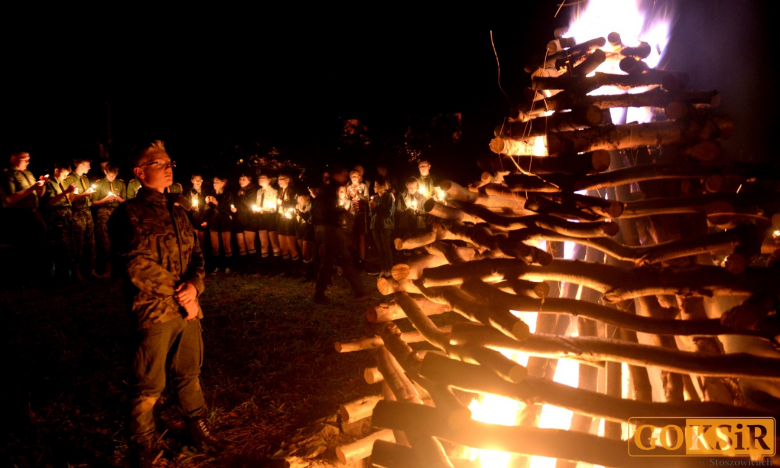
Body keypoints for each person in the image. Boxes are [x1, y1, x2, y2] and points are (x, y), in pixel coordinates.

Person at [107, 140, 223, 464]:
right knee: (148, 382)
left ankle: (195, 422)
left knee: (189, 371)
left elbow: (197, 255)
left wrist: (195, 288)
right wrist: (181, 293)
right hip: (154, 310)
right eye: (160, 163)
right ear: (140, 172)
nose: (169, 167)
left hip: (188, 309)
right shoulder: (127, 214)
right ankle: (142, 439)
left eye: (170, 162)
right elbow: (136, 265)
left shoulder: (178, 209)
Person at [311, 166, 366, 303]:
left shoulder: (327, 187)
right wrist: (342, 210)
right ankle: (359, 292)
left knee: (327, 261)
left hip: (323, 228)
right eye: (343, 174)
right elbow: (327, 209)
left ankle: (319, 294)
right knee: (345, 259)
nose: (345, 176)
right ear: (337, 174)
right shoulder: (330, 189)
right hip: (330, 228)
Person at [0, 151, 49, 282]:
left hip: (34, 212)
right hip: (19, 215)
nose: (28, 162)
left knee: (39, 243)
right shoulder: (8, 175)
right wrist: (32, 188)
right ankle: (21, 278)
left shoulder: (28, 173)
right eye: (24, 159)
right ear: (13, 158)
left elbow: (39, 194)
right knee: (22, 246)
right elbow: (10, 198)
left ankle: (37, 275)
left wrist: (42, 185)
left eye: (29, 159)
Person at [65, 158, 99, 280]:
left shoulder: (84, 179)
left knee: (90, 241)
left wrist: (90, 193)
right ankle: (76, 271)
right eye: (88, 165)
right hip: (76, 212)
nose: (89, 168)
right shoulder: (70, 179)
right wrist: (84, 194)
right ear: (81, 165)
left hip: (87, 211)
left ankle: (90, 270)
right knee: (77, 241)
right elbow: (69, 198)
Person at [42, 163, 76, 281]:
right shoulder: (50, 183)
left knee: (67, 245)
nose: (66, 177)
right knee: (59, 245)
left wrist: (72, 193)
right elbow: (50, 202)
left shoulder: (60, 183)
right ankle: (57, 275)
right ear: (56, 170)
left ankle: (67, 273)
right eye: (65, 174)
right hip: (56, 218)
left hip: (66, 216)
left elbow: (67, 200)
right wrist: (66, 191)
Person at [92, 164, 126, 278]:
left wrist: (118, 198)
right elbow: (93, 202)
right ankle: (107, 270)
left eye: (115, 175)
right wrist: (104, 200)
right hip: (103, 214)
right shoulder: (99, 184)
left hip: (118, 214)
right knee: (105, 242)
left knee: (120, 242)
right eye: (111, 175)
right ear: (105, 172)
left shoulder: (120, 184)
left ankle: (120, 271)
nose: (113, 177)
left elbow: (126, 202)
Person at [204, 175, 234, 273]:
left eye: (217, 182)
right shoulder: (212, 193)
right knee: (214, 245)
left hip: (224, 219)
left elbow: (228, 209)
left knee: (226, 244)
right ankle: (217, 266)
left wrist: (217, 203)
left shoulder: (228, 194)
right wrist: (207, 203)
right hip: (214, 220)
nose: (214, 184)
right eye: (214, 182)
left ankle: (228, 266)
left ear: (223, 183)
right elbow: (208, 209)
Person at [255, 173, 281, 275]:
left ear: (269, 180)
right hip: (261, 218)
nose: (260, 179)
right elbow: (257, 205)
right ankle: (264, 268)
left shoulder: (274, 191)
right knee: (263, 243)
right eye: (259, 178)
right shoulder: (259, 191)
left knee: (274, 243)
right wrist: (257, 210)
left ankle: (276, 268)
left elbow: (273, 208)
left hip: (270, 218)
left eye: (263, 178)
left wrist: (264, 209)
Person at [231, 172, 258, 273]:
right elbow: (236, 204)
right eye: (240, 179)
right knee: (241, 244)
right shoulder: (238, 191)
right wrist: (234, 209)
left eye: (244, 179)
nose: (241, 181)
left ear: (249, 181)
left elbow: (250, 203)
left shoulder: (253, 190)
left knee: (250, 244)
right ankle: (244, 267)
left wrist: (242, 196)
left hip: (250, 219)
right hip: (239, 219)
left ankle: (253, 267)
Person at [369, 178, 395, 279]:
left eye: (376, 185)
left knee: (386, 248)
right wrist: (371, 208)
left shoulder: (389, 198)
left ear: (382, 187)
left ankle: (389, 269)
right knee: (380, 249)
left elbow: (388, 213)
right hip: (375, 226)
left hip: (385, 225)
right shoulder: (375, 198)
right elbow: (371, 214)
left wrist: (376, 207)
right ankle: (383, 269)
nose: (374, 187)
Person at [276, 173, 301, 276]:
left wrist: (283, 203)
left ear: (288, 180)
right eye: (278, 179)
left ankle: (296, 271)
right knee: (283, 246)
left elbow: (295, 204)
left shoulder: (293, 191)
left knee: (291, 246)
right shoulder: (280, 191)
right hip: (281, 219)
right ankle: (287, 270)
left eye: (282, 179)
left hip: (290, 219)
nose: (279, 181)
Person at [396, 176, 427, 255]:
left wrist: (418, 211)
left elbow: (426, 211)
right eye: (410, 187)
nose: (412, 189)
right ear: (407, 186)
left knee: (418, 244)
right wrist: (407, 211)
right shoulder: (402, 197)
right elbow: (397, 211)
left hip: (418, 223)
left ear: (417, 186)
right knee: (407, 242)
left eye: (414, 187)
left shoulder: (422, 197)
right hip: (406, 223)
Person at [346, 170, 369, 270]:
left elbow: (367, 199)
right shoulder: (348, 187)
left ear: (359, 177)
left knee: (361, 237)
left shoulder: (363, 186)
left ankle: (362, 260)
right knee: (353, 237)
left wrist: (358, 196)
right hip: (351, 213)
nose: (354, 178)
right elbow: (346, 198)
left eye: (356, 176)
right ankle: (354, 259)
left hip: (361, 214)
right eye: (352, 177)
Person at [185, 173, 209, 257]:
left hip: (203, 219)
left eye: (200, 180)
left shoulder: (206, 192)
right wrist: (190, 207)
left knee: (202, 243)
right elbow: (185, 206)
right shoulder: (188, 193)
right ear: (192, 181)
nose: (198, 182)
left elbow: (209, 208)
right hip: (193, 219)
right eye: (196, 180)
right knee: (194, 243)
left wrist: (207, 220)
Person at [294, 192, 316, 280]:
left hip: (308, 229)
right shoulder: (297, 206)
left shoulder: (311, 205)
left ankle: (311, 275)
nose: (299, 199)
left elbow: (310, 219)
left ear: (307, 197)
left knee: (306, 252)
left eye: (301, 197)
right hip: (300, 229)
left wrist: (302, 214)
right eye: (297, 198)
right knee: (303, 253)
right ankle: (308, 274)